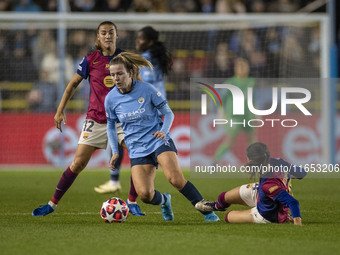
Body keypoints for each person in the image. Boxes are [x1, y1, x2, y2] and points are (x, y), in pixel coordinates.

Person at [32, 21, 143, 216]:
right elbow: (72, 85)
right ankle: (51, 204)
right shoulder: (90, 60)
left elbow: (141, 87)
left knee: (139, 156)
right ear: (98, 37)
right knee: (77, 164)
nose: (108, 36)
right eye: (104, 33)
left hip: (123, 121)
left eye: (111, 32)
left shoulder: (126, 59)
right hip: (96, 120)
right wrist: (60, 110)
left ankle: (132, 202)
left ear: (117, 36)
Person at [105, 51, 220, 222]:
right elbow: (111, 126)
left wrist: (164, 132)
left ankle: (209, 214)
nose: (116, 78)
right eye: (113, 74)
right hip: (136, 148)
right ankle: (165, 200)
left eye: (120, 73)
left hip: (158, 140)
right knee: (144, 194)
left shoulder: (147, 89)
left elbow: (168, 113)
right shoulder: (110, 99)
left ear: (129, 73)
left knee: (176, 179)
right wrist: (115, 151)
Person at [95, 26, 172, 196]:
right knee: (134, 149)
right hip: (157, 108)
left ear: (150, 41)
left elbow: (141, 84)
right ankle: (133, 196)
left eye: (141, 39)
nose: (138, 42)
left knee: (130, 146)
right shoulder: (157, 58)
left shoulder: (145, 59)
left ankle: (118, 184)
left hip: (143, 108)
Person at [196, 142, 306, 225]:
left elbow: (293, 202)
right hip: (263, 193)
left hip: (268, 213)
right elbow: (302, 173)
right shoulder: (277, 161)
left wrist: (298, 223)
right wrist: (284, 176)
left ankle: (285, 216)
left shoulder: (269, 184)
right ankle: (216, 206)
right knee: (224, 197)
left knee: (228, 217)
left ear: (250, 160)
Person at [214, 58, 256, 163]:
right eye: (240, 67)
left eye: (244, 66)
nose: (242, 69)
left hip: (247, 115)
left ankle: (254, 163)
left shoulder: (251, 81)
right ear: (235, 69)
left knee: (252, 140)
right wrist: (221, 112)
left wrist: (255, 111)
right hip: (234, 116)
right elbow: (220, 99)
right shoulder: (230, 82)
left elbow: (253, 98)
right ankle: (214, 161)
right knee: (229, 141)